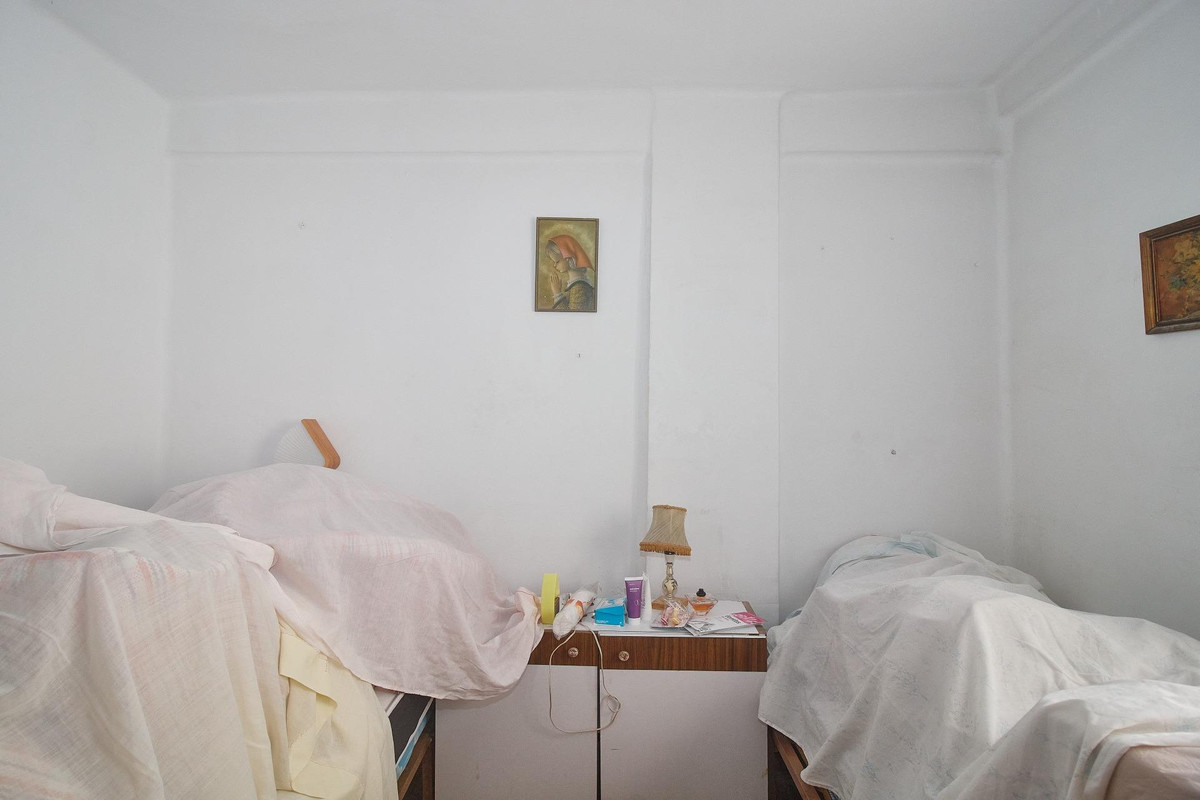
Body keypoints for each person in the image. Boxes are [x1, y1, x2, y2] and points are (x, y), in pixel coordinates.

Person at [545, 234, 596, 311]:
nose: (554, 265)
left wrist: (557, 293)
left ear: (568, 258)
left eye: (557, 261)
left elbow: (571, 315)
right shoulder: (576, 285)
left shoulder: (579, 287)